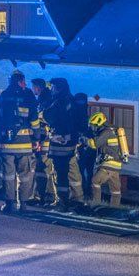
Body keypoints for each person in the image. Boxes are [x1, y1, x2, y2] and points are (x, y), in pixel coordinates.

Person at [0, 71, 39, 214]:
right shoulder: (28, 95)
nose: (25, 84)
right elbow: (34, 119)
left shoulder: (3, 96)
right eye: (23, 81)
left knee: (8, 175)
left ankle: (9, 204)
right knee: (25, 176)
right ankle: (23, 204)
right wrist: (36, 138)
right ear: (20, 82)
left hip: (6, 144)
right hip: (25, 144)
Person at [45, 79, 87, 208]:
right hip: (71, 145)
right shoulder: (73, 101)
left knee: (60, 174)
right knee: (72, 173)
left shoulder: (59, 102)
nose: (51, 89)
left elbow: (49, 117)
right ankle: (76, 199)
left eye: (53, 87)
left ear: (58, 88)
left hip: (59, 146)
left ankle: (62, 201)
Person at [28, 78, 58, 207]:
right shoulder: (43, 99)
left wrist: (39, 139)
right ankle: (40, 195)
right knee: (40, 169)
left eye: (33, 87)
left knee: (47, 169)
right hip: (42, 140)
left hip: (44, 141)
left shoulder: (45, 101)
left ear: (38, 87)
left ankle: (49, 196)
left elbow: (43, 122)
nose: (32, 89)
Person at [87, 111, 126, 208]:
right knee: (115, 189)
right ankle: (114, 208)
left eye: (94, 126)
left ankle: (96, 205)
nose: (93, 128)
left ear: (100, 124)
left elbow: (95, 144)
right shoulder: (113, 130)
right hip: (116, 164)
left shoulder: (106, 132)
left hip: (109, 164)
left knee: (95, 180)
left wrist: (85, 140)